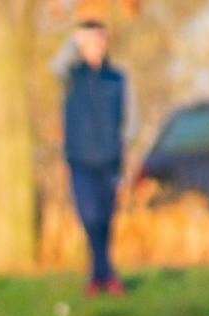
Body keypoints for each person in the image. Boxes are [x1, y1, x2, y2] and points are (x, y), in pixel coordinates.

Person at [54, 19, 133, 297]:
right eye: (88, 42)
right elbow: (55, 66)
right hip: (80, 160)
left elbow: (127, 121)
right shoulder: (72, 76)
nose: (94, 47)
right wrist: (73, 41)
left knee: (105, 220)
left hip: (110, 160)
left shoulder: (117, 79)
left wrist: (124, 162)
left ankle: (100, 275)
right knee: (89, 217)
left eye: (98, 40)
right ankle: (104, 274)